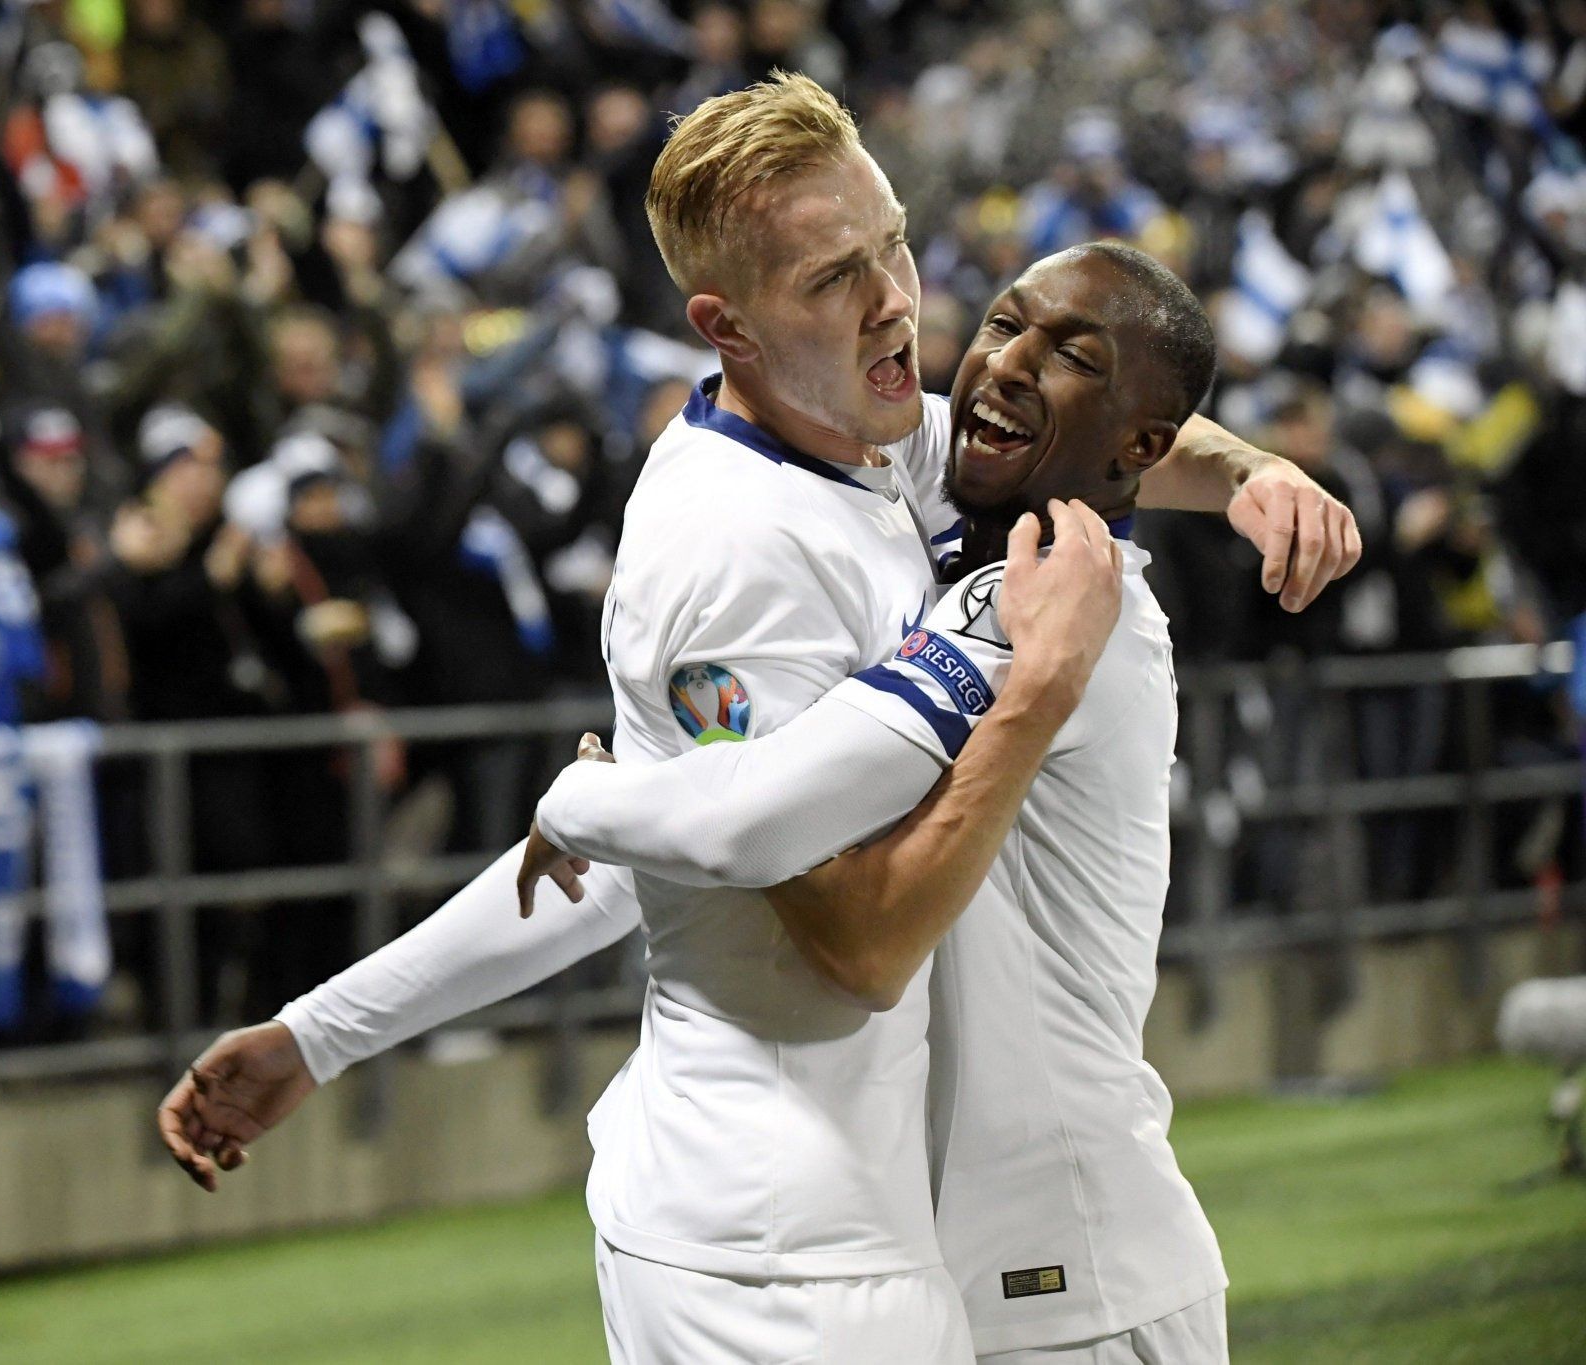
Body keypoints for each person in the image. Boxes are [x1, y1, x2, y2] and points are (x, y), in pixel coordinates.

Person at [157, 73, 1359, 1358]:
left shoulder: (916, 467)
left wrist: (1253, 470)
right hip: (787, 1262)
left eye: (893, 241)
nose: (898, 297)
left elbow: (680, 848)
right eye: (834, 275)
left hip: (1027, 1255)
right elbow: (837, 924)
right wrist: (618, 809)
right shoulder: (757, 556)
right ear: (724, 326)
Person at [530, 243, 1228, 1361]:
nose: (1004, 367)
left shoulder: (1055, 612)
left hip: (1079, 1279)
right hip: (970, 1271)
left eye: (1069, 358)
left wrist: (615, 796)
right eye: (1004, 327)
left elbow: (845, 920)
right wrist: (1251, 474)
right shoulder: (938, 527)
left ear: (1138, 446)